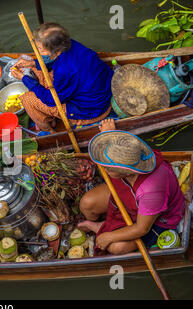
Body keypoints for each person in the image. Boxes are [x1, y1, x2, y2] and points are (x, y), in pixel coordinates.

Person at [78, 119, 186, 255]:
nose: (104, 171)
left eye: (108, 169)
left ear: (127, 172)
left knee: (116, 247)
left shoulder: (151, 191)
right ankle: (104, 225)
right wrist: (109, 134)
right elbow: (120, 148)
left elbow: (142, 229)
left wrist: (109, 237)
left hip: (157, 220)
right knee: (87, 204)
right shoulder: (134, 153)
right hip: (129, 195)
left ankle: (101, 227)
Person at [11, 22, 113, 133]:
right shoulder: (70, 44)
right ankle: (48, 116)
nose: (38, 52)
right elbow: (55, 63)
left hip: (92, 109)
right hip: (102, 88)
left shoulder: (64, 70)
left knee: (28, 100)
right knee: (36, 70)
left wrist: (24, 79)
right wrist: (32, 63)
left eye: (40, 49)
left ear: (54, 50)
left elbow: (52, 100)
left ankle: (48, 129)